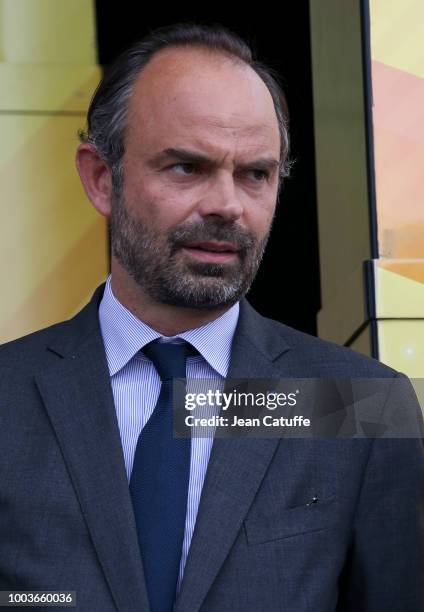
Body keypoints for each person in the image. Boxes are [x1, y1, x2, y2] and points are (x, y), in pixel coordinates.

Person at [0, 23, 422, 612]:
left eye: (256, 174)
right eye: (186, 167)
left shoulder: (357, 405)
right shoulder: (8, 398)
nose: (227, 205)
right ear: (102, 179)